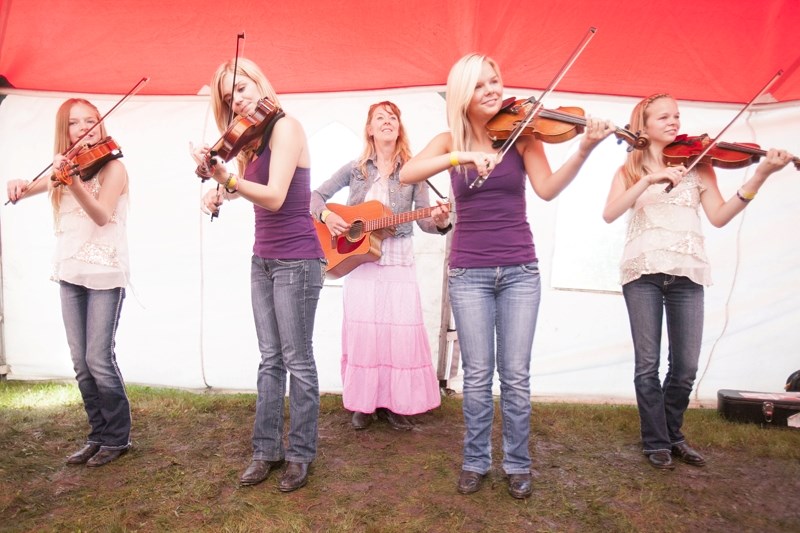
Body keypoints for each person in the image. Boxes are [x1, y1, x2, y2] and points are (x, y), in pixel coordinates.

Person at [399, 53, 614, 499]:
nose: (493, 90)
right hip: (469, 272)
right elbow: (407, 173)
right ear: (464, 94)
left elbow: (548, 189)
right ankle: (475, 461)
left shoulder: (522, 134)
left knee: (515, 375)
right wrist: (464, 155)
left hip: (519, 269)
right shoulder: (447, 141)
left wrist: (584, 148)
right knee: (478, 375)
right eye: (481, 84)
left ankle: (517, 463)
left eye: (495, 80)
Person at [602, 93, 795, 470]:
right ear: (643, 125)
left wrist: (759, 174)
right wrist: (650, 179)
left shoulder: (699, 164)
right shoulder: (629, 169)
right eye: (664, 117)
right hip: (641, 274)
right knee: (647, 365)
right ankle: (656, 441)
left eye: (677, 115)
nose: (675, 122)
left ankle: (672, 433)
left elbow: (720, 216)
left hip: (688, 274)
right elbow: (609, 213)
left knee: (686, 366)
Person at [191, 57, 325, 492]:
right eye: (230, 99)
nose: (240, 100)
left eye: (243, 88)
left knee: (297, 361)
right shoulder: (250, 140)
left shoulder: (286, 127)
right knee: (270, 360)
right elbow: (246, 187)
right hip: (263, 258)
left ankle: (301, 455)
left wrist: (228, 180)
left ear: (259, 82)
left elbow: (273, 197)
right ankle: (265, 451)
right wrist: (217, 191)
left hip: (297, 260)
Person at [310, 101, 451, 431]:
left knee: (398, 331)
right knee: (365, 331)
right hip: (359, 260)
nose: (387, 122)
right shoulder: (355, 169)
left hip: (398, 256)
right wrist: (329, 217)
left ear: (399, 128)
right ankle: (364, 403)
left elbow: (425, 222)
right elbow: (314, 196)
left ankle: (397, 403)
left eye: (393, 118)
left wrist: (440, 221)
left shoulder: (414, 171)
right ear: (370, 129)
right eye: (380, 118)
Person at [7, 98, 132, 467]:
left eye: (91, 121)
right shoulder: (66, 168)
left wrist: (73, 181)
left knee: (99, 358)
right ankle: (97, 435)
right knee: (80, 361)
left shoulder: (113, 168)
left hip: (106, 274)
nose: (85, 128)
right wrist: (18, 184)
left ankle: (118, 438)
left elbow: (100, 215)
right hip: (70, 272)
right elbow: (25, 189)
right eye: (75, 123)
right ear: (65, 131)